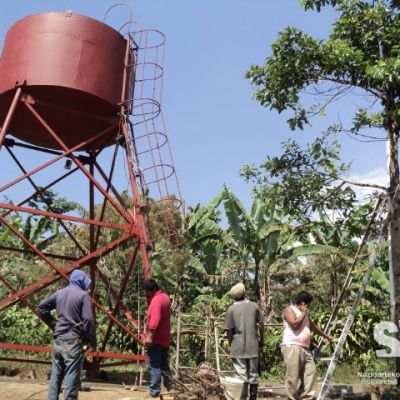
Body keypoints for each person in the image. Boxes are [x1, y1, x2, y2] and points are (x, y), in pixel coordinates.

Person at [37, 269, 96, 400]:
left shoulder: (60, 293)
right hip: (73, 340)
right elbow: (88, 320)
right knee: (72, 375)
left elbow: (41, 308)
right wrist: (92, 340)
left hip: (59, 339)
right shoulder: (83, 295)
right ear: (81, 281)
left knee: (56, 373)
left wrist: (53, 324)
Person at [281, 291, 334, 400]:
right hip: (292, 346)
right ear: (302, 303)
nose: (308, 307)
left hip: (305, 348)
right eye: (308, 305)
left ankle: (307, 398)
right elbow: (294, 324)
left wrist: (326, 336)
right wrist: (304, 313)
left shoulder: (304, 314)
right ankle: (292, 398)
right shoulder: (289, 310)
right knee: (293, 376)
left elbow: (312, 327)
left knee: (311, 373)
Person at [224, 282, 264, 400]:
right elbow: (261, 325)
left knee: (241, 375)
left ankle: (242, 398)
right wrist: (262, 341)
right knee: (253, 374)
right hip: (253, 345)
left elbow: (229, 330)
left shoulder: (231, 310)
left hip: (238, 346)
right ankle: (253, 397)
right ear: (244, 293)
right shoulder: (254, 306)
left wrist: (230, 345)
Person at [143, 278, 173, 398]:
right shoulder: (165, 297)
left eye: (146, 291)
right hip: (164, 338)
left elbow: (155, 320)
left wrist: (150, 336)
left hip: (156, 339)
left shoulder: (156, 300)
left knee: (154, 366)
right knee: (164, 365)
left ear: (151, 290)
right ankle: (171, 386)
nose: (145, 294)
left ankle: (154, 391)